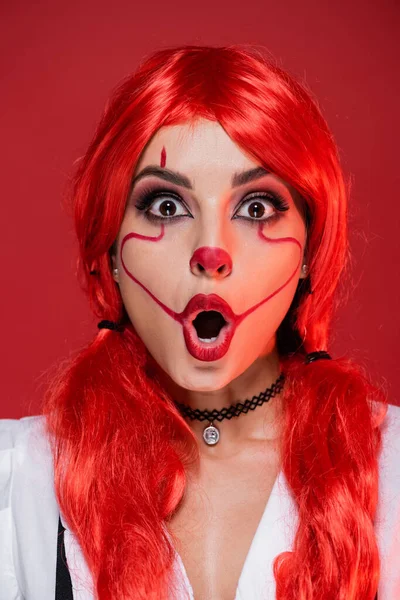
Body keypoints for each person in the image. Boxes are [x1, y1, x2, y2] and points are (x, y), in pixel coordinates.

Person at [0, 44, 398, 600]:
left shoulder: (393, 467)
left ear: (310, 247)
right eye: (166, 206)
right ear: (110, 248)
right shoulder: (18, 481)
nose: (211, 251)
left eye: (256, 208)